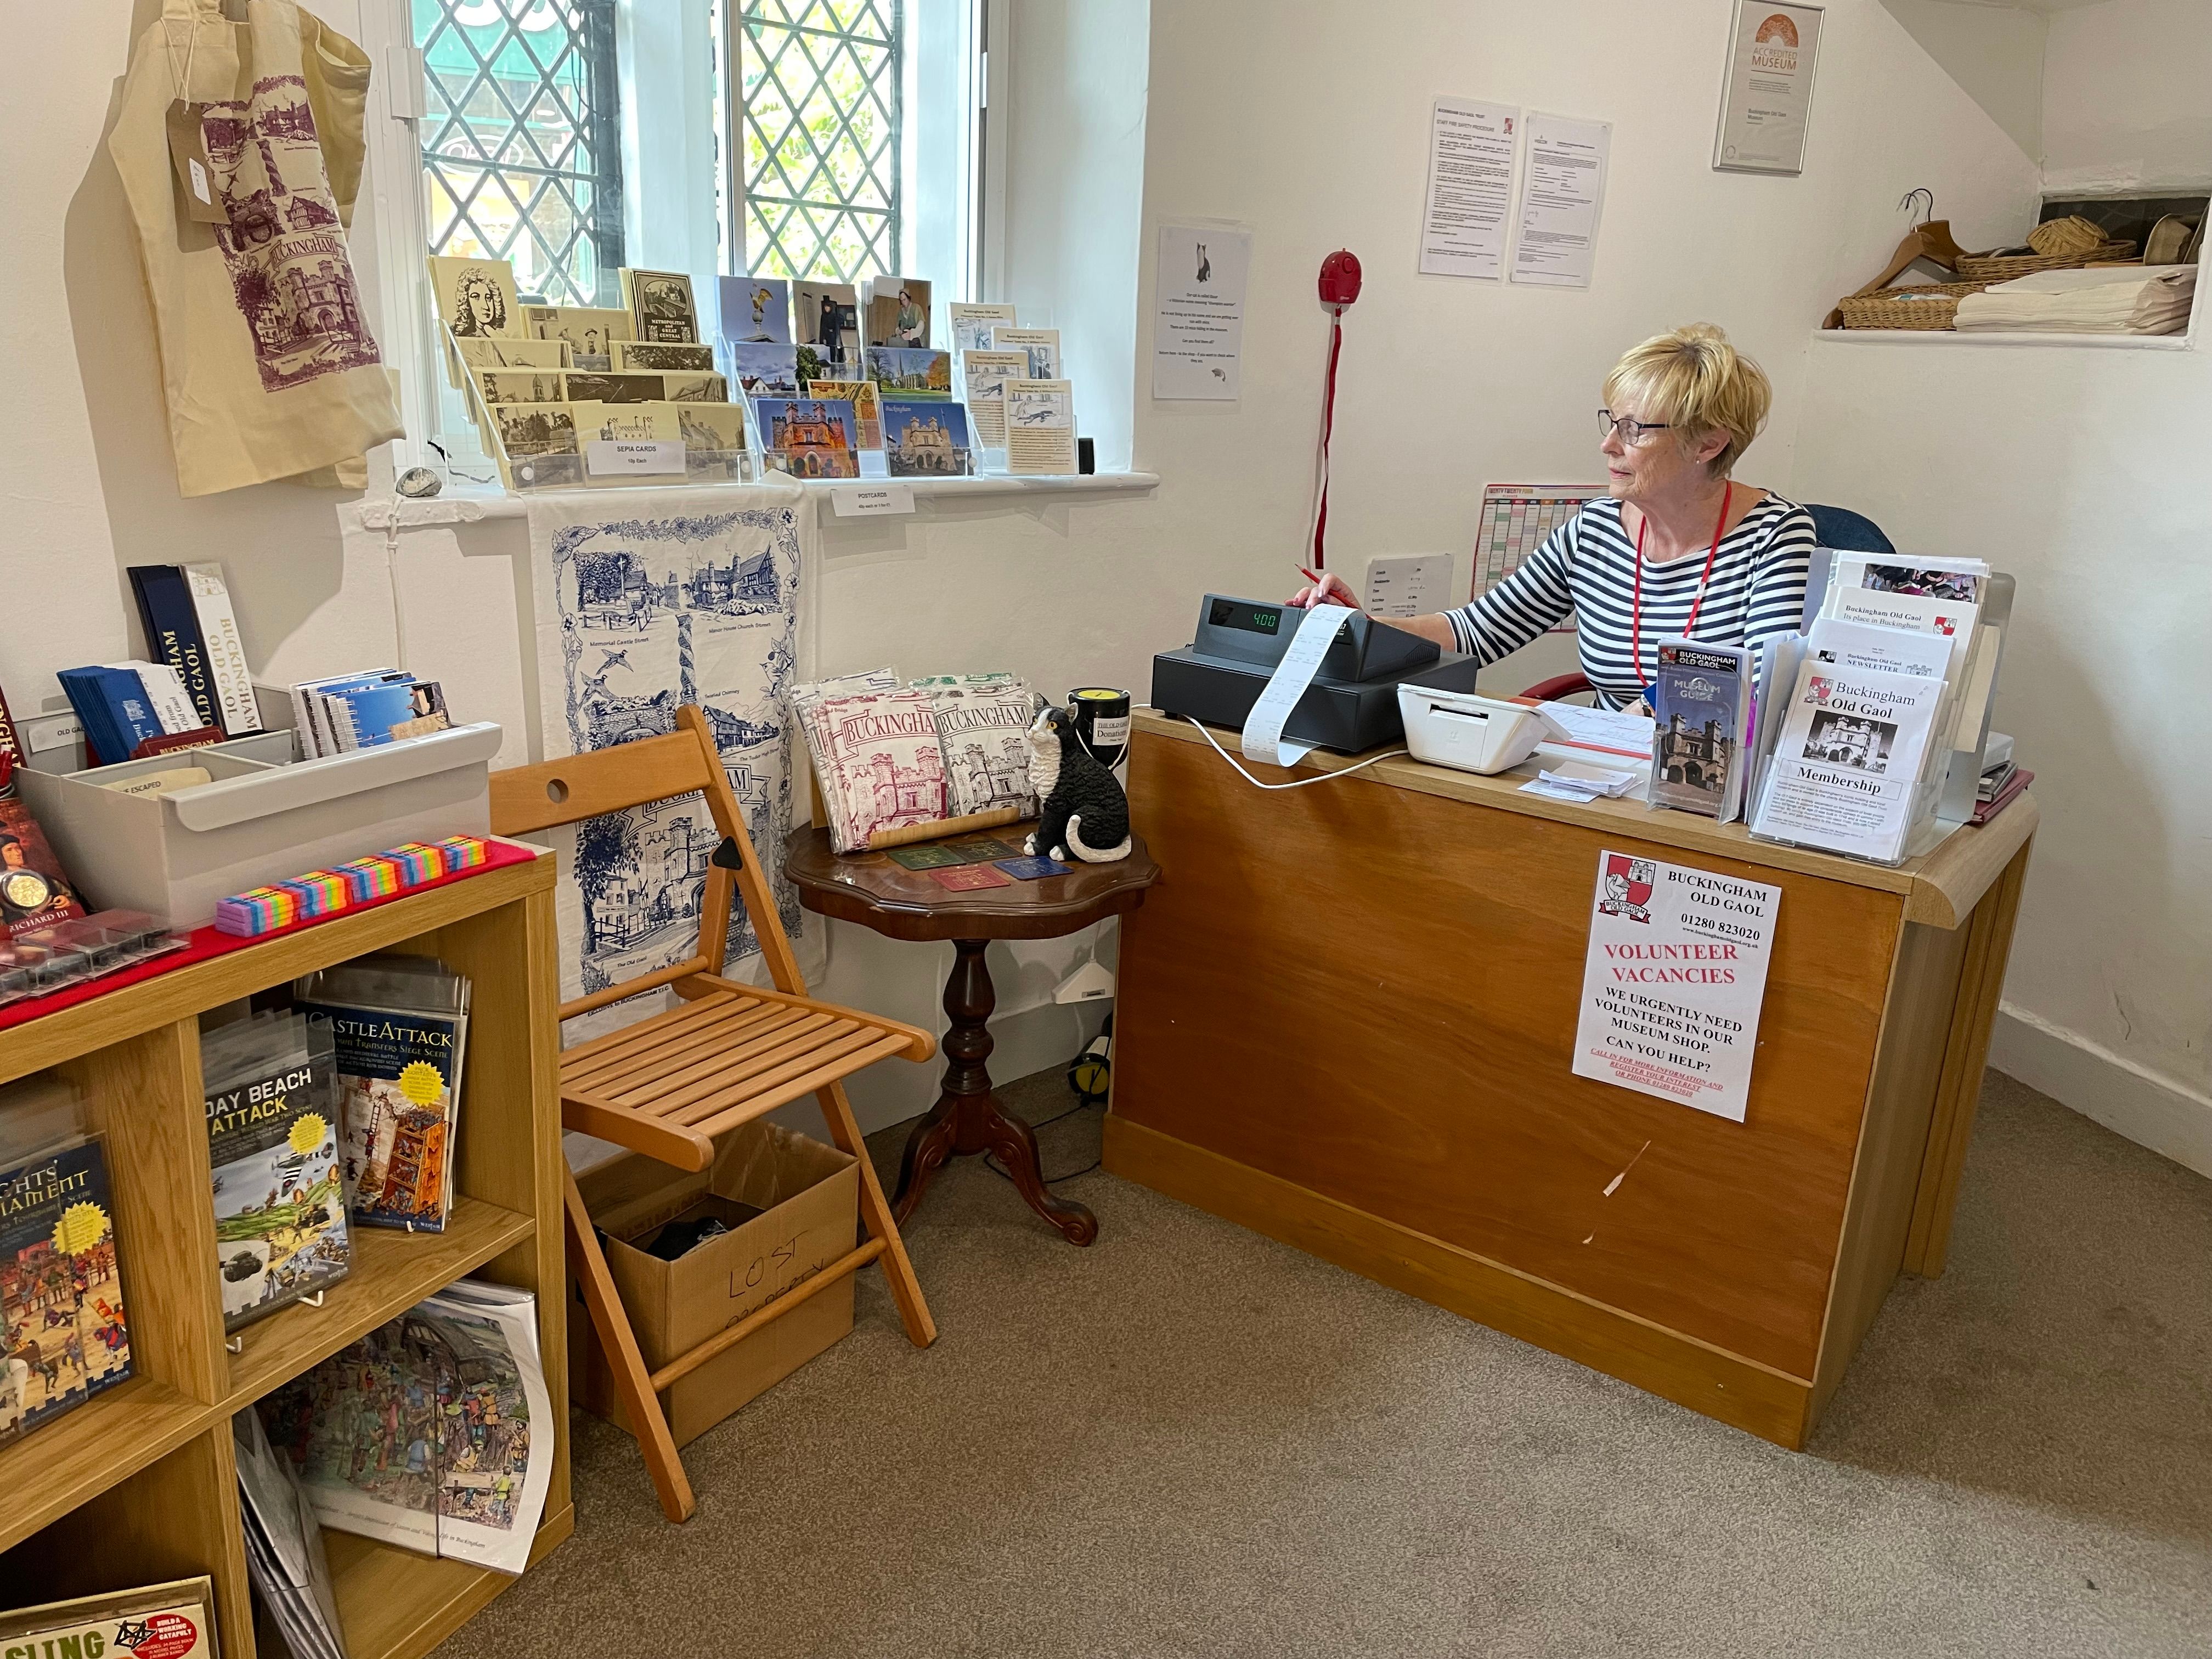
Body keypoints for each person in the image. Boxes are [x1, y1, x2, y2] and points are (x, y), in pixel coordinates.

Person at [1293, 324, 1814, 712]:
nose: (1608, 444)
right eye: (1612, 422)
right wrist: (1366, 626)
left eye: (1635, 430)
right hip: (1610, 775)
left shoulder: (1776, 534)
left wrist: (1631, 723)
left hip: (1707, 783)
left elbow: (1760, 681)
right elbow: (1476, 630)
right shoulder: (1595, 531)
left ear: (1708, 444)